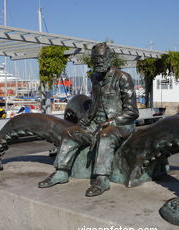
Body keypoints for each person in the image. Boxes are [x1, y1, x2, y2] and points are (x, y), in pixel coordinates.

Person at [38, 42, 139, 197]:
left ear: (109, 57)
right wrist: (87, 119)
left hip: (120, 124)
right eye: (94, 58)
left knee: (105, 136)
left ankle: (102, 179)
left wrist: (110, 122)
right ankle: (61, 172)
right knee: (70, 133)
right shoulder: (95, 78)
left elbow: (132, 112)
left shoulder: (123, 78)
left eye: (100, 57)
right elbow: (95, 105)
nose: (97, 61)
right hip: (95, 123)